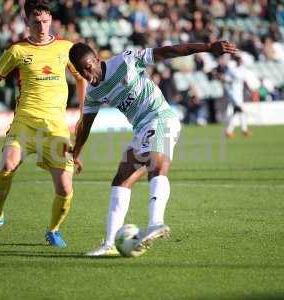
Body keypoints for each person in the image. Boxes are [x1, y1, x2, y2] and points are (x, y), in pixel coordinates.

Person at [69, 40, 237, 256]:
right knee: (122, 179)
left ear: (97, 59)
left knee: (156, 164)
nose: (88, 74)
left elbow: (167, 51)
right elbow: (86, 125)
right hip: (141, 128)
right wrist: (76, 153)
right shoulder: (93, 92)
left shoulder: (126, 61)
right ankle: (110, 243)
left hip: (161, 118)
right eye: (82, 71)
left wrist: (207, 47)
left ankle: (156, 222)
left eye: (89, 66)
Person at [0, 0, 86, 248]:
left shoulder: (67, 48)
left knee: (65, 189)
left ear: (51, 20)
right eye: (37, 22)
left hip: (56, 128)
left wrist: (83, 113)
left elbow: (82, 79)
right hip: (24, 123)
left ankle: (53, 230)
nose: (42, 27)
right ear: (27, 22)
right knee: (7, 166)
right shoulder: (16, 51)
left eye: (46, 21)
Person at [221, 55, 251, 138]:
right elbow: (225, 79)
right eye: (239, 60)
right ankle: (243, 130)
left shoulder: (242, 69)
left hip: (239, 94)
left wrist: (248, 89)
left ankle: (230, 131)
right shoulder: (232, 70)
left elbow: (244, 81)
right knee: (240, 111)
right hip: (233, 94)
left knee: (236, 113)